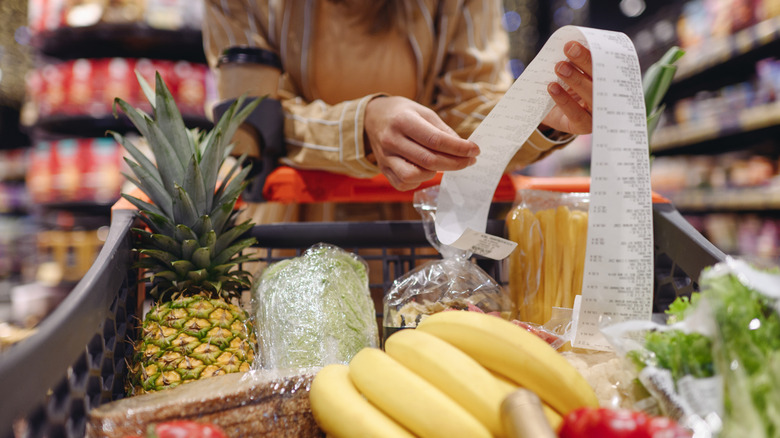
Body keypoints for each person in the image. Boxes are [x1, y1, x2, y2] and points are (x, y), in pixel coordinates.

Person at [201, 0, 593, 193]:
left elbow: (468, 111)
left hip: (421, 235)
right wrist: (362, 126)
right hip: (290, 231)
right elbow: (250, 121)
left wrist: (538, 116)